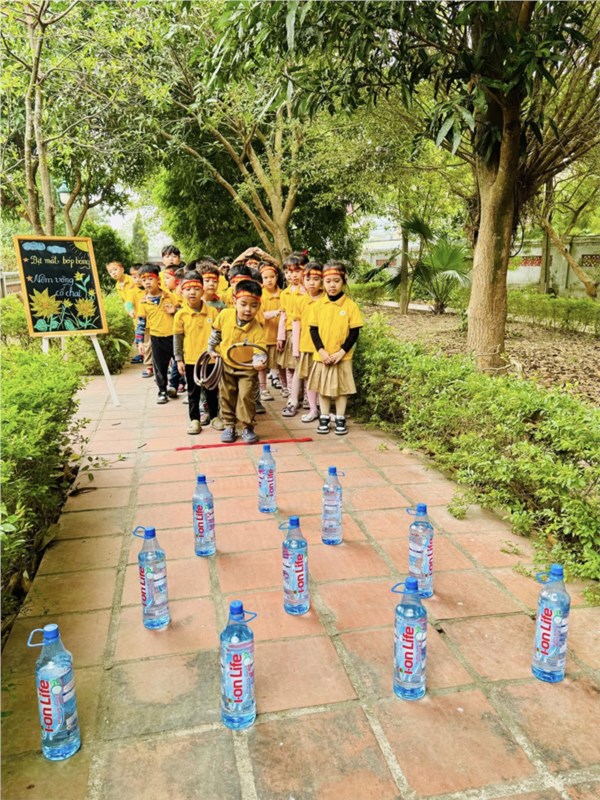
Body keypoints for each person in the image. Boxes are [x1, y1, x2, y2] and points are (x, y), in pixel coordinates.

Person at [207, 280, 267, 444]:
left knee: (246, 396)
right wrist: (211, 349)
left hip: (247, 369)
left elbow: (260, 350)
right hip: (227, 365)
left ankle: (247, 426)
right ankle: (229, 425)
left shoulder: (257, 329)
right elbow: (216, 333)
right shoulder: (225, 315)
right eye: (243, 304)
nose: (248, 309)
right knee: (226, 395)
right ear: (234, 302)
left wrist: (259, 361)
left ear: (259, 306)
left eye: (253, 306)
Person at [307, 261, 363, 435]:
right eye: (328, 281)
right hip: (322, 357)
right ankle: (324, 416)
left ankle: (340, 417)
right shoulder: (317, 306)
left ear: (344, 281)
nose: (332, 285)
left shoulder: (350, 306)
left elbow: (354, 332)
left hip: (342, 357)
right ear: (323, 283)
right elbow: (313, 330)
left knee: (341, 389)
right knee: (322, 388)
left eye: (336, 281)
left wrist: (342, 352)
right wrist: (321, 351)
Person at [173, 272, 220, 435]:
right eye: (188, 289)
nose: (192, 292)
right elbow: (178, 338)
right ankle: (195, 420)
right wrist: (179, 359)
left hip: (210, 359)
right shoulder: (180, 314)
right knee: (193, 392)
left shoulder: (213, 312)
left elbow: (219, 334)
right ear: (182, 291)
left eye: (196, 288)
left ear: (203, 290)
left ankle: (214, 417)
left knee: (212, 390)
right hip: (191, 360)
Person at [283, 261, 324, 421]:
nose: (311, 283)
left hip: (323, 347)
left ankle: (322, 408)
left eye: (316, 279)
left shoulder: (326, 299)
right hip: (305, 345)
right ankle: (295, 402)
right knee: (300, 373)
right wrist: (296, 348)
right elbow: (296, 324)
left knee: (321, 377)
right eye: (308, 279)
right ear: (303, 279)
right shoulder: (300, 300)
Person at [135, 264, 181, 404]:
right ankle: (162, 390)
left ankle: (173, 385)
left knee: (179, 361)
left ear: (158, 280)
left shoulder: (169, 296)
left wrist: (175, 311)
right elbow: (141, 322)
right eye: (144, 280)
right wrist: (140, 341)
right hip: (156, 337)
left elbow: (181, 312)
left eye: (151, 278)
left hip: (174, 336)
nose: (147, 282)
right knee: (160, 366)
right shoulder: (143, 301)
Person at [258, 262, 286, 401]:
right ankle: (263, 389)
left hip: (279, 337)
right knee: (262, 365)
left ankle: (285, 386)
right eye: (265, 277)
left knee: (281, 364)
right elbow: (259, 315)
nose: (269, 280)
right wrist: (275, 313)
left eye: (272, 277)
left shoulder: (283, 294)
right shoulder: (260, 295)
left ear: (277, 277)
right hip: (264, 336)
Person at [277, 255, 305, 397]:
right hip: (289, 332)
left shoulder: (307, 292)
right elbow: (283, 316)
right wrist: (280, 337)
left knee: (304, 365)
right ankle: (292, 393)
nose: (292, 275)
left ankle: (306, 395)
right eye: (288, 272)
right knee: (290, 365)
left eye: (297, 271)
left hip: (304, 333)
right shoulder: (284, 293)